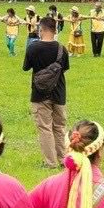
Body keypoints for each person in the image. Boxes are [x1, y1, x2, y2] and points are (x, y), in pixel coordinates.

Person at [22, 14, 69, 167]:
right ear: (55, 30)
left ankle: (50, 162)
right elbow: (65, 68)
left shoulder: (33, 47)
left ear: (41, 29)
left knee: (45, 127)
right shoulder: (62, 49)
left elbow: (26, 67)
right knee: (60, 127)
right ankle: (63, 159)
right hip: (59, 92)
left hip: (39, 93)